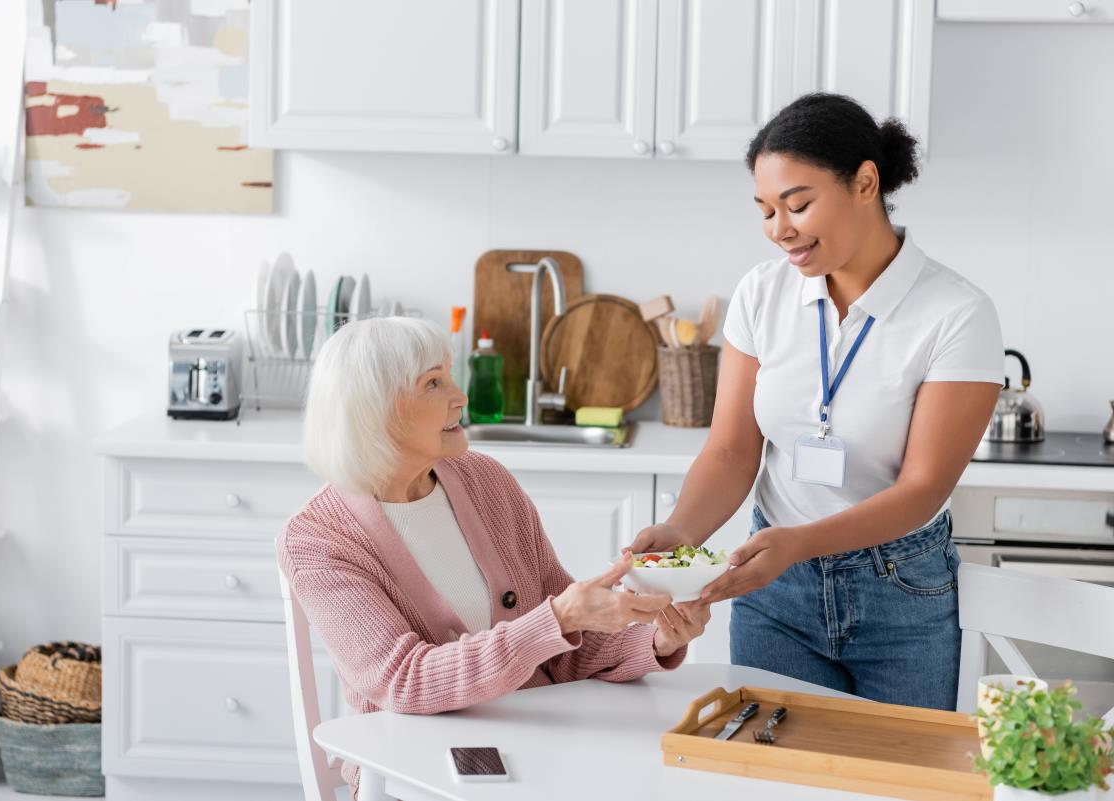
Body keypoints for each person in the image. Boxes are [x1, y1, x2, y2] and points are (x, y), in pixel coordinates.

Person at [629, 93, 1004, 710]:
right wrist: (678, 531)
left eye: (798, 205)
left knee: (897, 776)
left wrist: (800, 544)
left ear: (865, 182)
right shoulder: (762, 293)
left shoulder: (957, 314)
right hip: (773, 590)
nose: (780, 230)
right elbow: (729, 452)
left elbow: (922, 489)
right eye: (766, 210)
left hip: (900, 590)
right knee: (773, 775)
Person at [278, 316, 712, 793]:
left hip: (534, 745)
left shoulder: (485, 481)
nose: (460, 395)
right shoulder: (317, 540)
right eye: (433, 383)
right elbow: (405, 681)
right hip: (415, 764)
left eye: (448, 374)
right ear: (375, 411)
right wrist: (558, 619)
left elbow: (563, 652)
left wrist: (654, 641)